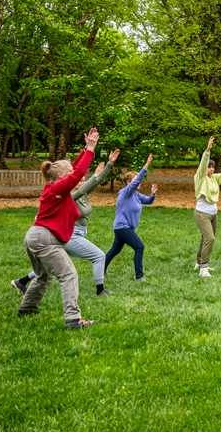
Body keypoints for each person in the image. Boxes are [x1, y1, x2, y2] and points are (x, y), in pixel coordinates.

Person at [16, 127, 100, 329]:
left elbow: (75, 169)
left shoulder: (56, 186)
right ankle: (73, 319)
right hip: (46, 239)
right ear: (61, 175)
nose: (76, 176)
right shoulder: (58, 188)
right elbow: (76, 173)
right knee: (68, 274)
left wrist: (84, 150)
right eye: (69, 173)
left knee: (44, 276)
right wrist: (90, 150)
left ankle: (26, 309)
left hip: (35, 236)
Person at [12, 149, 120, 297]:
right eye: (80, 180)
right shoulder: (69, 195)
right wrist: (92, 165)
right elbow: (82, 188)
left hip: (73, 235)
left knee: (49, 266)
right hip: (71, 236)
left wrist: (109, 164)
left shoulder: (83, 195)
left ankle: (21, 282)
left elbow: (97, 181)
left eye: (83, 180)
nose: (82, 181)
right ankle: (100, 290)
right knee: (99, 256)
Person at [104, 153, 157, 282]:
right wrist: (146, 166)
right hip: (122, 227)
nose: (138, 183)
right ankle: (139, 276)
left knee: (114, 250)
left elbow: (148, 201)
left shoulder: (136, 195)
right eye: (134, 180)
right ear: (128, 183)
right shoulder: (125, 193)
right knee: (139, 247)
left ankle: (101, 269)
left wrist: (153, 195)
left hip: (126, 228)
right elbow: (137, 181)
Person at [193, 136, 221, 278]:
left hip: (213, 214)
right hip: (201, 214)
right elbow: (202, 165)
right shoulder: (200, 177)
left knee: (206, 238)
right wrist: (207, 151)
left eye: (212, 167)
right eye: (209, 167)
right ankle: (204, 268)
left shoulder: (214, 178)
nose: (210, 169)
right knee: (210, 238)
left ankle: (198, 262)